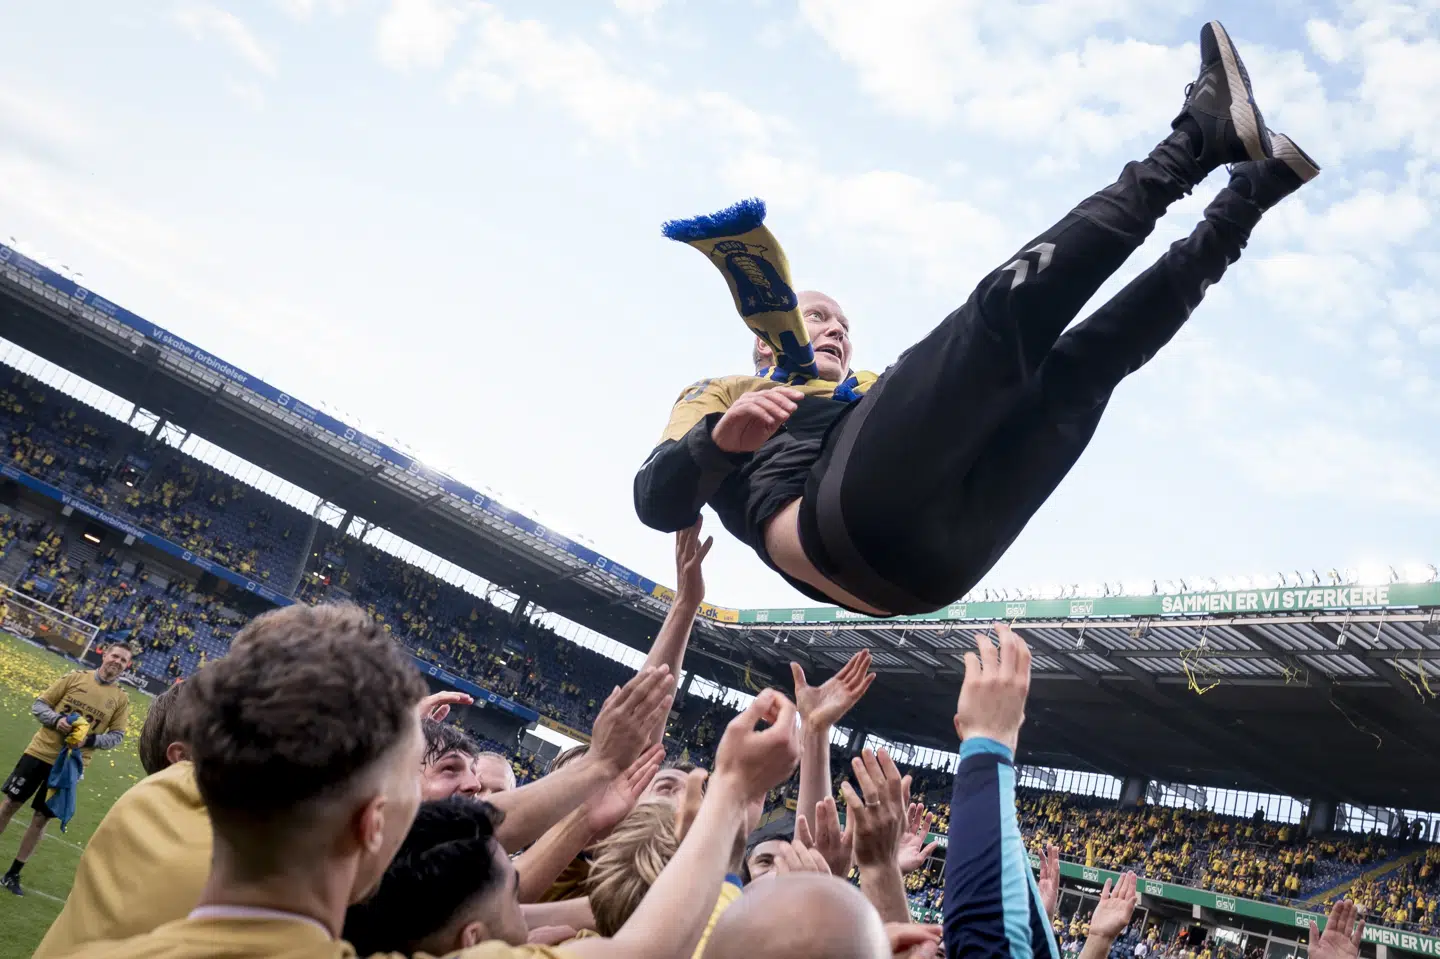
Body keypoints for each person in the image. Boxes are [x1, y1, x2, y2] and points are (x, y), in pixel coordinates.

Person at [635, 21, 1319, 616]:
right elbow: (655, 501)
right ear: (763, 341)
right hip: (839, 525)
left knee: (1079, 371)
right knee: (999, 319)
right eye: (817, 315)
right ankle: (1197, 139)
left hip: (940, 563)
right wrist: (720, 443)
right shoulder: (724, 393)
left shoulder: (868, 388)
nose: (837, 328)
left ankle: (1242, 207)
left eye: (843, 321)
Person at [0, 641, 135, 895]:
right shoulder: (75, 678)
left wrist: (90, 740)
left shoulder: (120, 700)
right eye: (115, 656)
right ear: (104, 654)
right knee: (10, 803)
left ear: (127, 666)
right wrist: (57, 720)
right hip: (40, 753)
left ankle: (13, 874)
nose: (117, 662)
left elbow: (117, 736)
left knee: (41, 820)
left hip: (69, 767)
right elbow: (39, 705)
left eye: (123, 660)